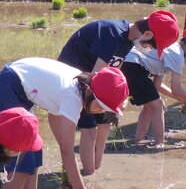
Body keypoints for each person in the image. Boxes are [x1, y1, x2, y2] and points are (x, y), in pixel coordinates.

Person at [0, 58, 128, 189]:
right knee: (23, 155)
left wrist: (68, 159)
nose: (100, 111)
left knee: (35, 148)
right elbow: (67, 151)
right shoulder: (72, 96)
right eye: (100, 105)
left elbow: (55, 117)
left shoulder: (79, 86)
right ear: (89, 91)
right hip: (6, 89)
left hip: (19, 90)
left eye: (105, 109)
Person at [57, 10, 179, 174]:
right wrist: (107, 102)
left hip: (93, 79)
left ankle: (95, 168)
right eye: (151, 45)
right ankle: (88, 175)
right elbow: (95, 77)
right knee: (90, 128)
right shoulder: (112, 34)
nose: (148, 48)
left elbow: (114, 72)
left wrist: (122, 98)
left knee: (106, 124)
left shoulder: (128, 40)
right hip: (75, 81)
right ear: (148, 34)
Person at [121, 25, 186, 146]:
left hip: (129, 65)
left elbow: (157, 85)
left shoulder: (172, 50)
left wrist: (182, 99)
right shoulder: (177, 54)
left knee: (151, 105)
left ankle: (138, 139)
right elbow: (176, 89)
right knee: (158, 105)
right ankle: (159, 145)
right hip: (133, 66)